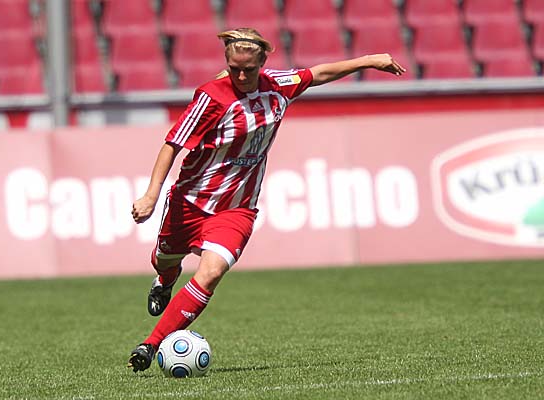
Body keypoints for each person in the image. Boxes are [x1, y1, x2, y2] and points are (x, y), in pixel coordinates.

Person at [127, 27, 406, 372]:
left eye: (249, 70)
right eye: (234, 69)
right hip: (190, 201)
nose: (242, 76)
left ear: (262, 64)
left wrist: (369, 61)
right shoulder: (211, 98)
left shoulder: (277, 85)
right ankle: (165, 280)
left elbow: (319, 74)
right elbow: (173, 144)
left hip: (237, 209)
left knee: (211, 273)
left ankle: (150, 344)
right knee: (165, 259)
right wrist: (151, 194)